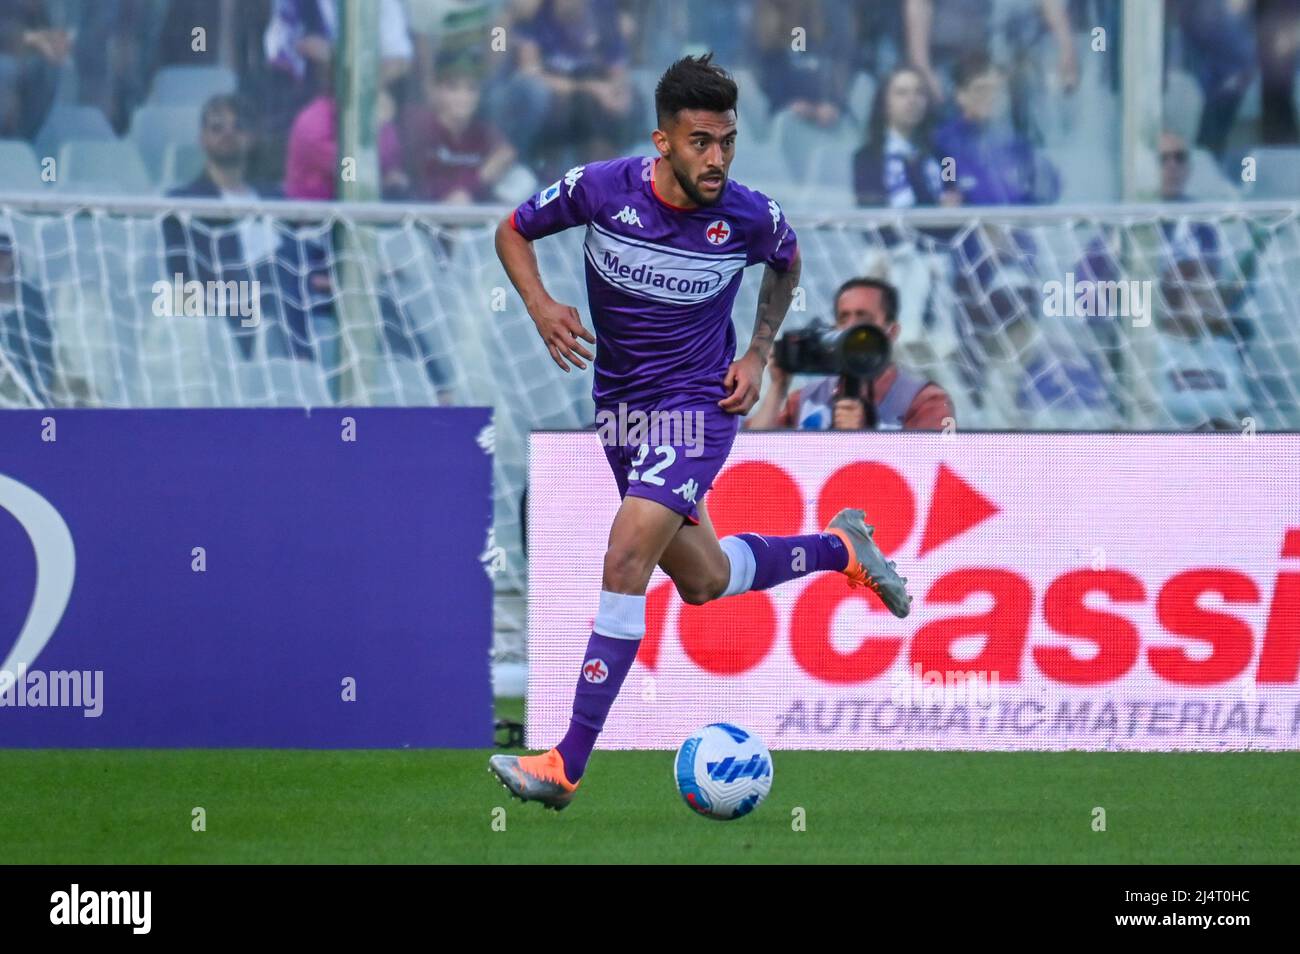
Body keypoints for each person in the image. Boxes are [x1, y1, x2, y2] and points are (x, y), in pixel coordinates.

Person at [488, 54, 912, 810]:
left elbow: (787, 262)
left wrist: (757, 352)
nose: (716, 159)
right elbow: (513, 230)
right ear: (663, 142)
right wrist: (543, 307)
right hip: (620, 410)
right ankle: (841, 547)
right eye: (700, 143)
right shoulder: (600, 190)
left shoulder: (747, 215)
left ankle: (565, 764)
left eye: (727, 141)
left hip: (697, 407)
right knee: (706, 580)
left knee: (626, 555)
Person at [746, 278, 955, 431]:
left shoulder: (924, 400)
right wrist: (778, 387)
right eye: (844, 318)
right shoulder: (806, 398)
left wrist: (863, 436)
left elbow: (930, 470)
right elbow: (753, 456)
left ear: (892, 331)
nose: (852, 327)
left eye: (863, 317)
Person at [933, 53, 1059, 205]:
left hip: (1018, 226)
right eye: (981, 89)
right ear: (961, 95)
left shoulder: (1016, 142)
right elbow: (950, 193)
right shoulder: (946, 144)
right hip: (974, 226)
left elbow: (1044, 189)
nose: (990, 97)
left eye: (996, 90)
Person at [399, 52, 516, 203]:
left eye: (471, 89)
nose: (463, 97)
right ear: (435, 90)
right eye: (453, 88)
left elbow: (505, 156)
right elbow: (424, 186)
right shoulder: (420, 127)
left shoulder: (484, 133)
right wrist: (479, 178)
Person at [854, 66, 960, 208]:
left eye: (919, 92)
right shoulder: (866, 159)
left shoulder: (945, 157)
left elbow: (952, 192)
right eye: (901, 93)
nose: (912, 100)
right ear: (885, 102)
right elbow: (871, 211)